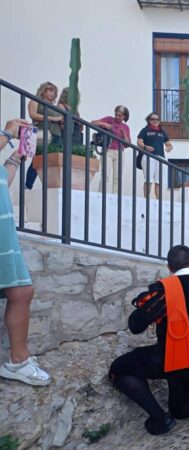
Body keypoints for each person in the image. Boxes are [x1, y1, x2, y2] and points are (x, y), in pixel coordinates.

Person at [109, 245, 189, 435]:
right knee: (180, 408)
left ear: (169, 267)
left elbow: (135, 326)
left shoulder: (166, 289)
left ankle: (160, 418)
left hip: (175, 358)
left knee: (118, 369)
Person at [0, 118, 51, 386]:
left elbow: (3, 180)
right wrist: (7, 132)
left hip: (4, 236)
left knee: (21, 292)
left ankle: (18, 361)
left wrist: (17, 157)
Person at [25, 81, 63, 189]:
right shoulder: (35, 101)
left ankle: (49, 188)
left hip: (57, 135)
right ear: (44, 90)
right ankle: (28, 185)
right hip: (42, 133)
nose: (53, 94)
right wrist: (52, 118)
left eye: (55, 92)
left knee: (52, 162)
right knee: (39, 159)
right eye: (50, 90)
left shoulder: (55, 107)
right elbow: (33, 115)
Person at [92, 105, 132, 194]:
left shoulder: (126, 127)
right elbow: (93, 123)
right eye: (116, 114)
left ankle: (116, 198)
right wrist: (105, 124)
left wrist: (124, 135)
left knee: (117, 178)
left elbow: (128, 144)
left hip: (120, 152)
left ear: (124, 117)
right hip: (107, 150)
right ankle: (102, 196)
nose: (117, 116)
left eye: (120, 115)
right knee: (105, 175)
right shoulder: (109, 119)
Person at [137, 112, 173, 199]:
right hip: (148, 156)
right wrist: (145, 147)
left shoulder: (162, 131)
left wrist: (169, 147)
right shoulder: (145, 130)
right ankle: (146, 199)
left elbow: (169, 144)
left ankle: (158, 200)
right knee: (148, 179)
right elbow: (139, 142)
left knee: (159, 181)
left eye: (157, 119)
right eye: (153, 119)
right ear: (149, 121)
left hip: (161, 158)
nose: (155, 121)